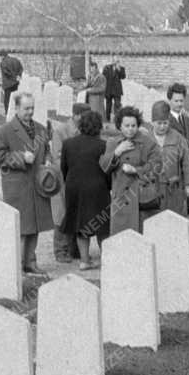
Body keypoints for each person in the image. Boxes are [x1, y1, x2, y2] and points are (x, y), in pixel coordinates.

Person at [0, 91, 53, 274]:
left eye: (32, 108)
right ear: (17, 108)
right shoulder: (4, 131)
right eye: (26, 108)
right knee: (20, 226)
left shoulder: (41, 129)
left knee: (35, 224)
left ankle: (30, 262)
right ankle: (16, 264)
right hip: (18, 185)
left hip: (37, 183)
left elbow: (47, 149)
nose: (30, 112)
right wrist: (20, 157)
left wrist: (48, 159)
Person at [60, 109, 111, 270]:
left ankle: (84, 261)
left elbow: (64, 168)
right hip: (97, 187)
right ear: (99, 127)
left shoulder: (68, 144)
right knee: (102, 225)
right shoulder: (104, 145)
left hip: (75, 187)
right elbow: (107, 169)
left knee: (80, 224)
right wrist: (108, 186)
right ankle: (106, 259)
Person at [99, 106, 162, 233]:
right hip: (120, 198)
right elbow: (104, 167)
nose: (130, 129)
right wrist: (117, 152)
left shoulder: (148, 142)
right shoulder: (113, 143)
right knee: (120, 235)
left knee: (141, 235)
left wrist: (136, 170)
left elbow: (157, 165)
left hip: (142, 197)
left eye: (133, 125)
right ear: (120, 126)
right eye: (126, 125)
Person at [49, 102, 90, 263]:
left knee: (77, 214)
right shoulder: (61, 131)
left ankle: (74, 250)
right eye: (84, 116)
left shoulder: (87, 130)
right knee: (61, 214)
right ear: (76, 115)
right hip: (63, 179)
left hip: (80, 179)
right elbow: (58, 157)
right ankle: (60, 251)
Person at [149, 100, 189, 216]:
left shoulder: (178, 138)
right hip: (152, 188)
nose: (162, 127)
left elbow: (186, 162)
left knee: (174, 218)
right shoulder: (146, 138)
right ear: (152, 122)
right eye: (159, 123)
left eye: (165, 123)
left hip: (173, 188)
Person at [0, 50, 23, 116]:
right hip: (16, 83)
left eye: (0, 57)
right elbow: (21, 69)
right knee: (15, 98)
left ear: (2, 56)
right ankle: (15, 112)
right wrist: (18, 76)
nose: (0, 58)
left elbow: (5, 72)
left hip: (8, 83)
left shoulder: (3, 62)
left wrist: (12, 76)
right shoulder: (16, 60)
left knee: (7, 99)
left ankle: (7, 113)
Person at [102, 58, 126, 122]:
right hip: (108, 90)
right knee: (108, 106)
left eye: (116, 60)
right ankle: (107, 119)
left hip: (117, 90)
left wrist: (119, 70)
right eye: (113, 60)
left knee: (117, 105)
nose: (115, 61)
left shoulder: (121, 68)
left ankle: (117, 120)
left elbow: (123, 77)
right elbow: (103, 77)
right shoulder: (106, 67)